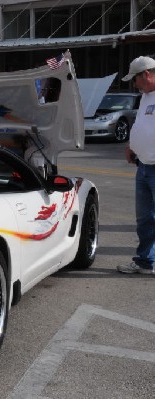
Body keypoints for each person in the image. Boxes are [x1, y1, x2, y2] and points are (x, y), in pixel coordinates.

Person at [117, 55, 155, 275]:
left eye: (135, 79)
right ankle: (145, 262)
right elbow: (142, 124)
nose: (134, 84)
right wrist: (132, 145)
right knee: (144, 219)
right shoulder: (145, 96)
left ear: (147, 74)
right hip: (144, 166)